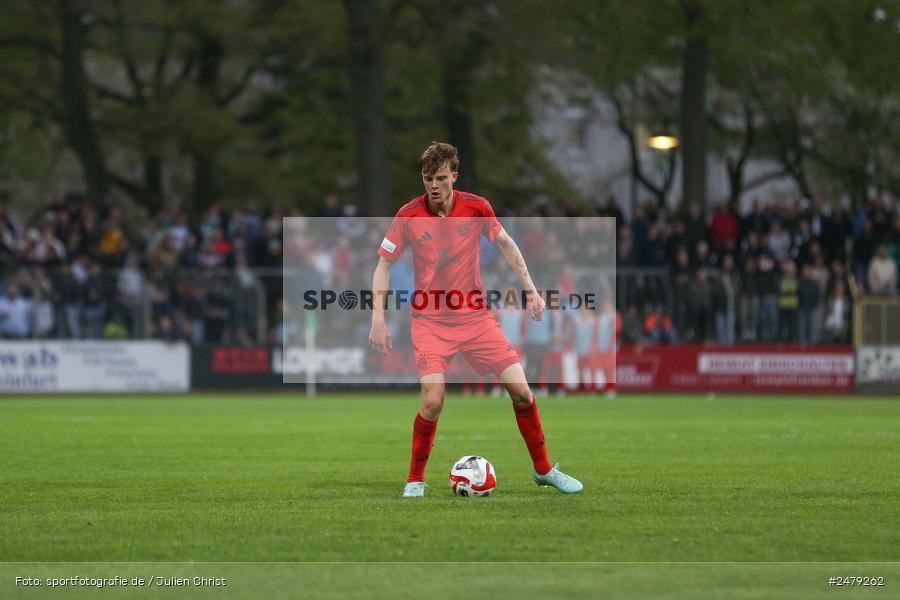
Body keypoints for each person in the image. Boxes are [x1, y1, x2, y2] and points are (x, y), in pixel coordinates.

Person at [369, 141, 583, 498]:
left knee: (522, 393)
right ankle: (415, 479)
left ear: (455, 176)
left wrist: (530, 289)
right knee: (433, 401)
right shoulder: (408, 215)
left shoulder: (477, 207)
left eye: (440, 178)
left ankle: (544, 469)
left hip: (475, 318)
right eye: (427, 179)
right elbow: (383, 265)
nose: (433, 186)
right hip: (430, 321)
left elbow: (507, 244)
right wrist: (378, 319)